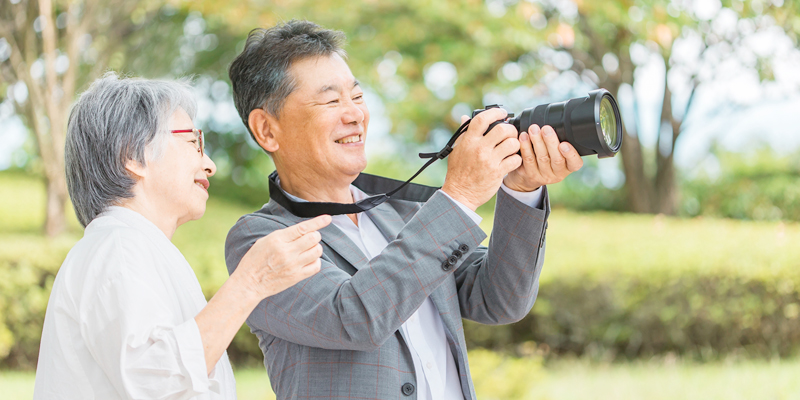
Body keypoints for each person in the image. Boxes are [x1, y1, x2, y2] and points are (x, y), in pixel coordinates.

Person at [225, 20, 583, 400]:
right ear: (266, 130)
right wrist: (459, 195)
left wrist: (521, 188)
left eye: (358, 97)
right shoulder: (261, 240)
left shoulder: (403, 212)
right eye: (331, 100)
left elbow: (500, 300)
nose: (354, 115)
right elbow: (354, 317)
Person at [33, 74, 331, 400]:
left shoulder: (134, 248)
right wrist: (251, 282)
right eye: (194, 142)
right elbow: (157, 381)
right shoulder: (118, 248)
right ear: (132, 155)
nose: (210, 164)